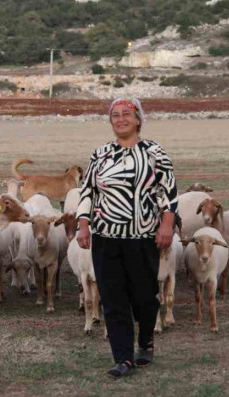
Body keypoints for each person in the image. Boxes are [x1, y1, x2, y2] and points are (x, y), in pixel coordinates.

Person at [75, 97, 178, 378]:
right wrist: (83, 224)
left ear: (138, 119)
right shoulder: (100, 154)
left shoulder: (155, 152)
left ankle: (145, 340)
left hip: (142, 236)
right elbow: (88, 192)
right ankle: (123, 357)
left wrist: (166, 225)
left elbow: (167, 191)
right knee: (112, 297)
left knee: (145, 297)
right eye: (115, 115)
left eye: (126, 114)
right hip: (106, 236)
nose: (120, 119)